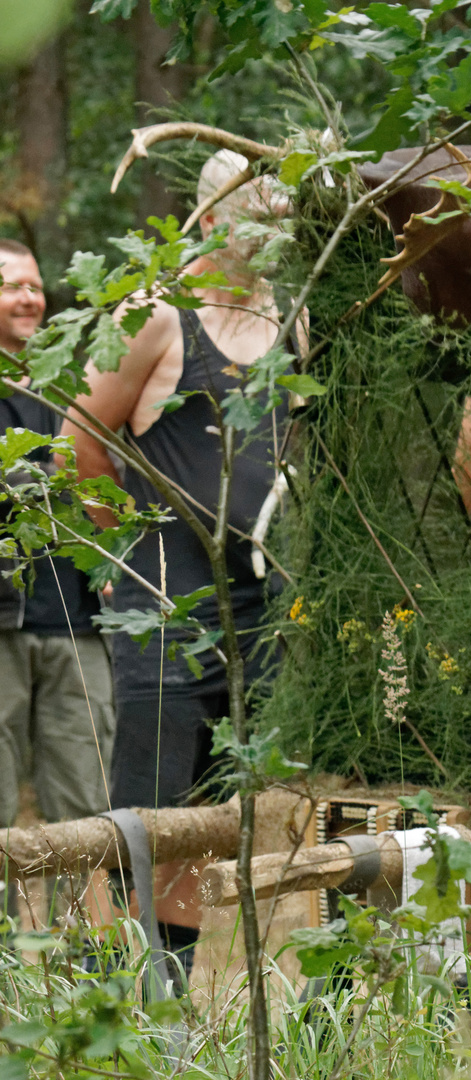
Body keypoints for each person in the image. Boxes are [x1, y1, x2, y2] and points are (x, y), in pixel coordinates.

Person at [61, 152, 292, 970]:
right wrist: (116, 557)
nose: (270, 236)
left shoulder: (297, 320)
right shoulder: (158, 316)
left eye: (281, 219)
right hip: (165, 607)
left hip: (266, 610)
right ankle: (122, 997)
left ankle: (174, 1007)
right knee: (153, 816)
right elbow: (78, 440)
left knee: (220, 815)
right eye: (253, 219)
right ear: (209, 220)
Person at [0, 239, 116, 843]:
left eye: (34, 286)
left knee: (86, 807)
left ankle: (85, 941)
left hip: (78, 621)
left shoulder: (78, 380)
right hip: (2, 624)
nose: (28, 299)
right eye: (10, 286)